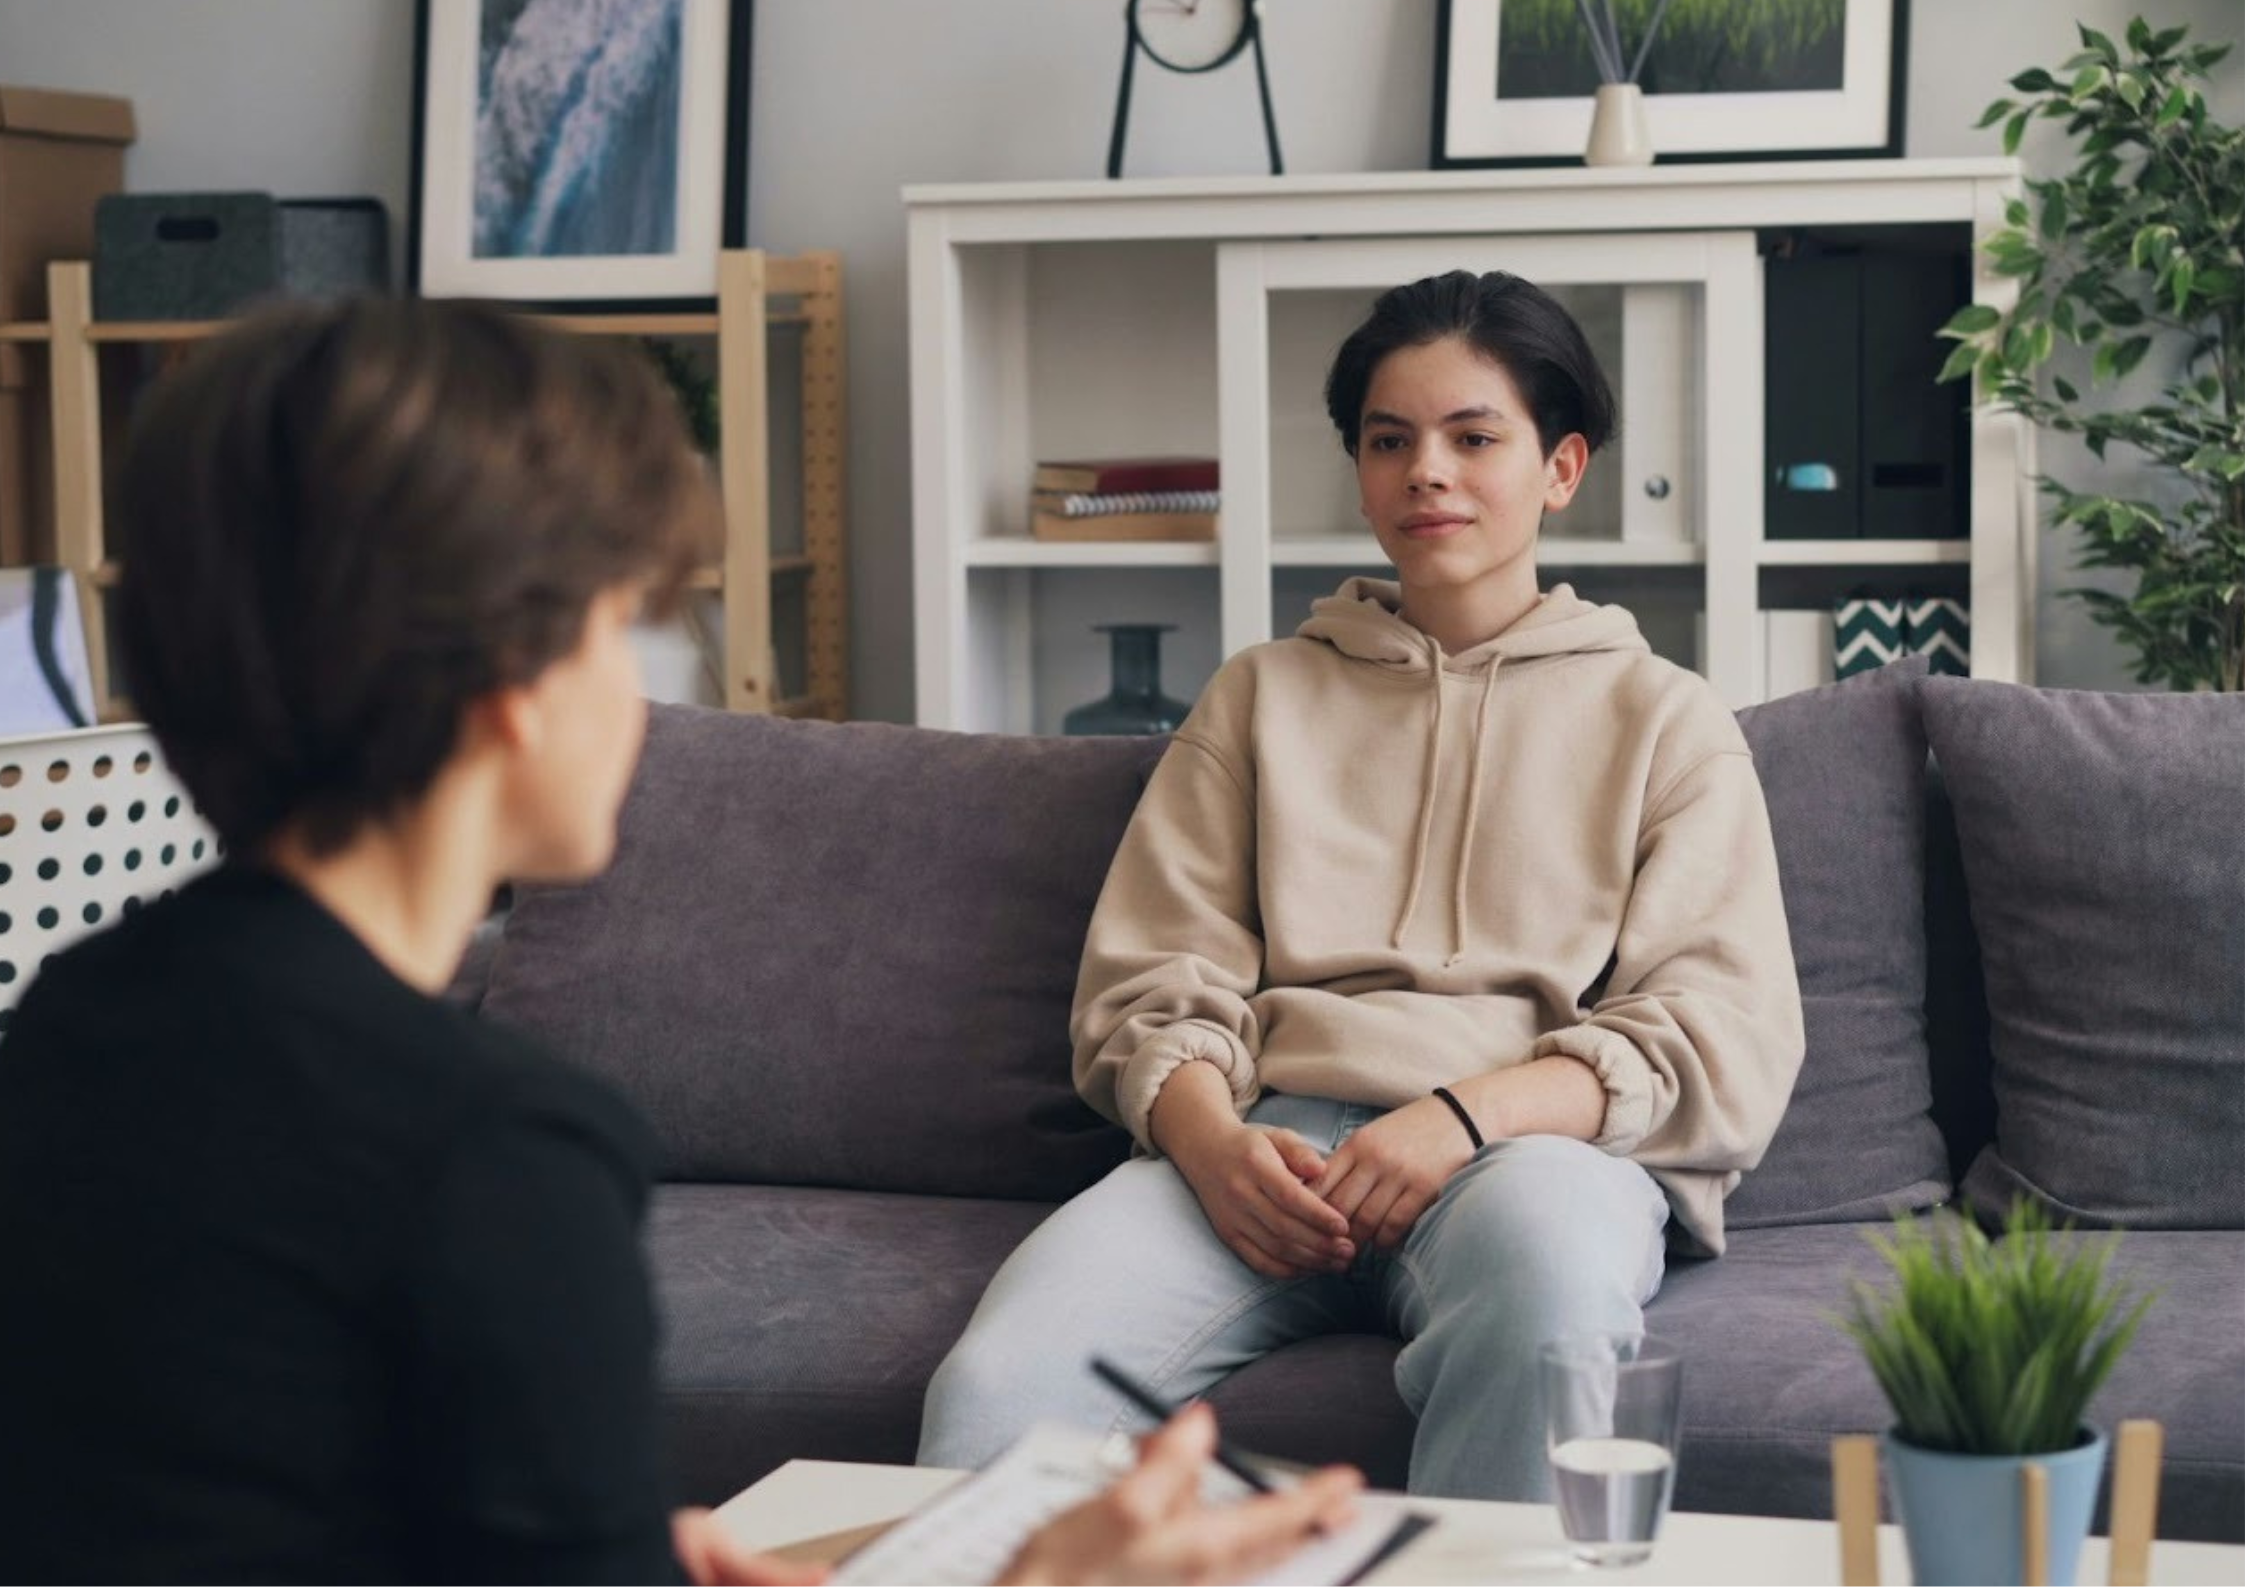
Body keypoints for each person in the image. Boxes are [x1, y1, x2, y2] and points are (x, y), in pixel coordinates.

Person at [0, 297, 1358, 1583]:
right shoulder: (495, 1149)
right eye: (621, 628)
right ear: (506, 690)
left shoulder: (70, 1022)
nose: (645, 695)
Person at [919, 269, 1807, 1501]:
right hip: (1260, 1149)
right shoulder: (1261, 695)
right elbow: (1151, 977)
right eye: (1389, 441)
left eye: (1472, 437)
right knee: (999, 1391)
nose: (1425, 472)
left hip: (1519, 1161)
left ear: (1561, 468)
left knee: (1552, 1321)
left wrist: (1460, 1117)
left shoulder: (1664, 720)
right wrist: (1211, 1142)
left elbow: (1718, 1033)